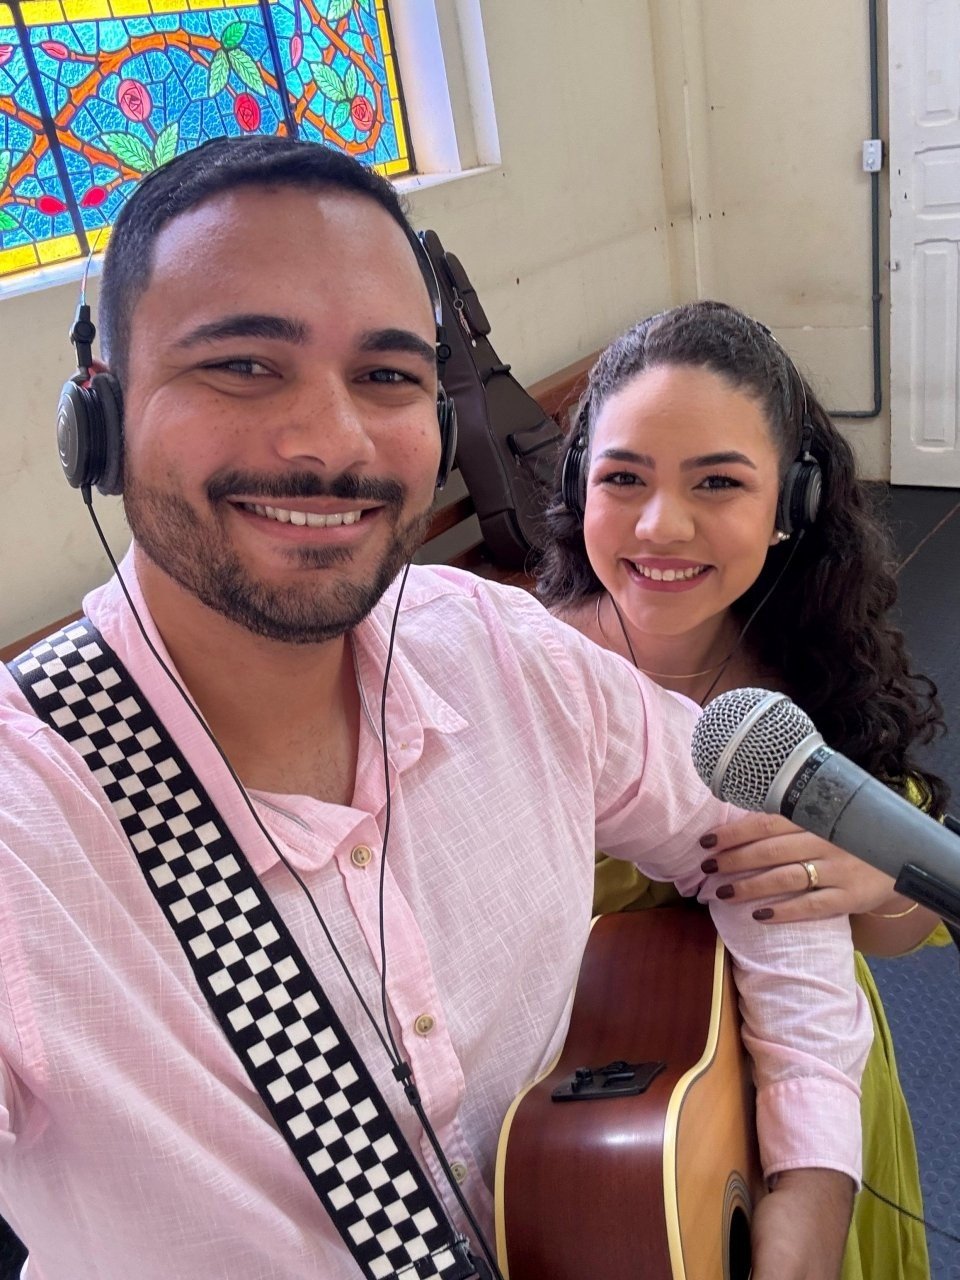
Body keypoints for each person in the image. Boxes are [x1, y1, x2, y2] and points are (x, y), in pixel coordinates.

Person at [0, 139, 872, 1280]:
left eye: (387, 375)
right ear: (100, 420)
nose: (332, 441)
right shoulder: (25, 830)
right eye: (243, 365)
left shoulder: (506, 654)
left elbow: (765, 858)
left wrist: (811, 1177)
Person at [536, 299, 951, 1280]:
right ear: (581, 486)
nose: (661, 524)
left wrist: (879, 874)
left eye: (717, 482)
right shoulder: (525, 669)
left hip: (814, 1086)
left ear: (790, 502)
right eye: (623, 478)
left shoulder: (812, 671)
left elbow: (900, 932)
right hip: (600, 1117)